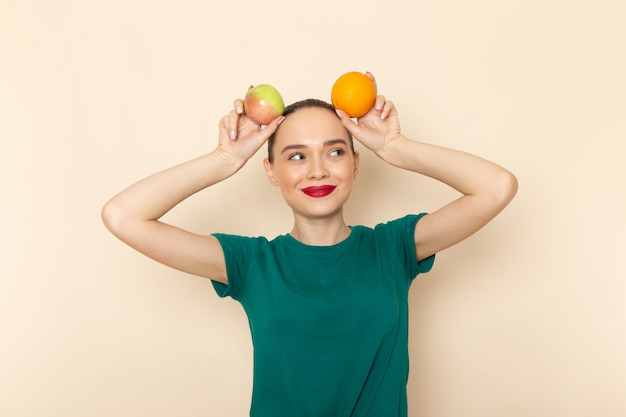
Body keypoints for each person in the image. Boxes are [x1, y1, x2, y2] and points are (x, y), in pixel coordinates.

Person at [101, 73, 518, 417]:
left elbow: (496, 187)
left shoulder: (392, 249)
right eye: (296, 156)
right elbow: (123, 216)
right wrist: (225, 160)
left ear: (356, 164)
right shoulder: (251, 263)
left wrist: (394, 147)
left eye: (334, 151)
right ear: (270, 171)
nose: (317, 170)